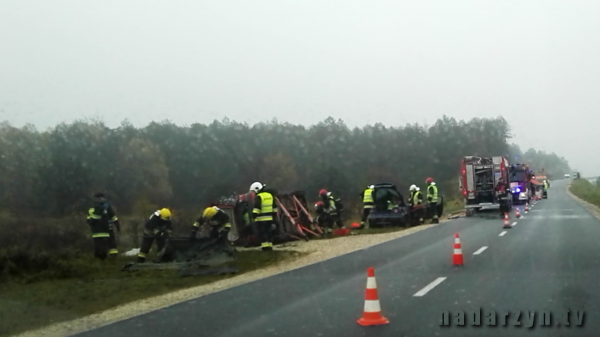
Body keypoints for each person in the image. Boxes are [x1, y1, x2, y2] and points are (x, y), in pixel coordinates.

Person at [87, 192, 120, 260]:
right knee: (100, 246)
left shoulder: (107, 207)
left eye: (101, 198)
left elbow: (113, 217)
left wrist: (117, 224)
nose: (100, 200)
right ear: (95, 199)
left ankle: (113, 258)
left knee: (112, 244)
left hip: (108, 229)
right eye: (98, 198)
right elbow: (89, 220)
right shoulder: (93, 208)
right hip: (98, 230)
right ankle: (101, 259)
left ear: (104, 198)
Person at [250, 182, 278, 251]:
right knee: (269, 233)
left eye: (253, 191)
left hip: (261, 219)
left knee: (262, 234)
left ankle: (265, 248)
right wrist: (274, 216)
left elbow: (257, 208)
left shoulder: (258, 197)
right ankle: (270, 246)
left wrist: (253, 216)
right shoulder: (270, 195)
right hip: (270, 219)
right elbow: (275, 207)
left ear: (256, 190)